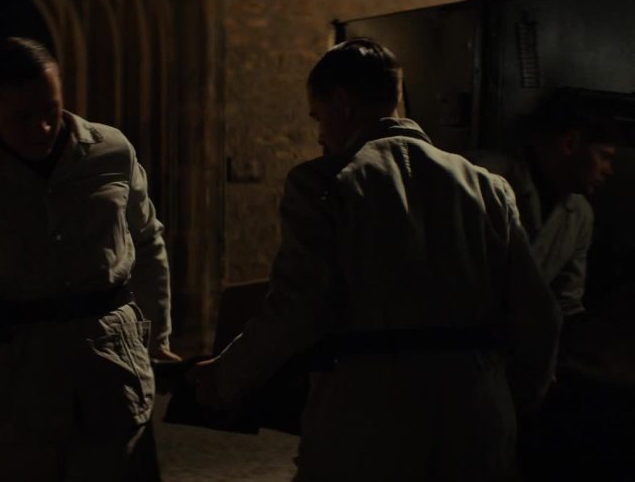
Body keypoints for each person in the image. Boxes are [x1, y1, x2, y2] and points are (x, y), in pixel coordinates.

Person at [189, 38, 561, 480]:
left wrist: (225, 379)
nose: (319, 134)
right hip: (478, 416)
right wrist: (509, 397)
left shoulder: (324, 184)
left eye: (318, 116)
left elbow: (297, 309)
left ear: (342, 104)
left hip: (372, 417)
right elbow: (539, 315)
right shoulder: (487, 187)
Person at [0, 36, 179, 482]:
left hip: (110, 375)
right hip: (20, 394)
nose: (42, 128)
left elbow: (145, 240)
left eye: (51, 109)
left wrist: (154, 335)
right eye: (23, 117)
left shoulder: (110, 152)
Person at [470, 90, 616, 329]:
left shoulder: (580, 215)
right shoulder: (481, 177)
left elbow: (566, 302)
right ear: (570, 143)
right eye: (604, 157)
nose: (608, 170)